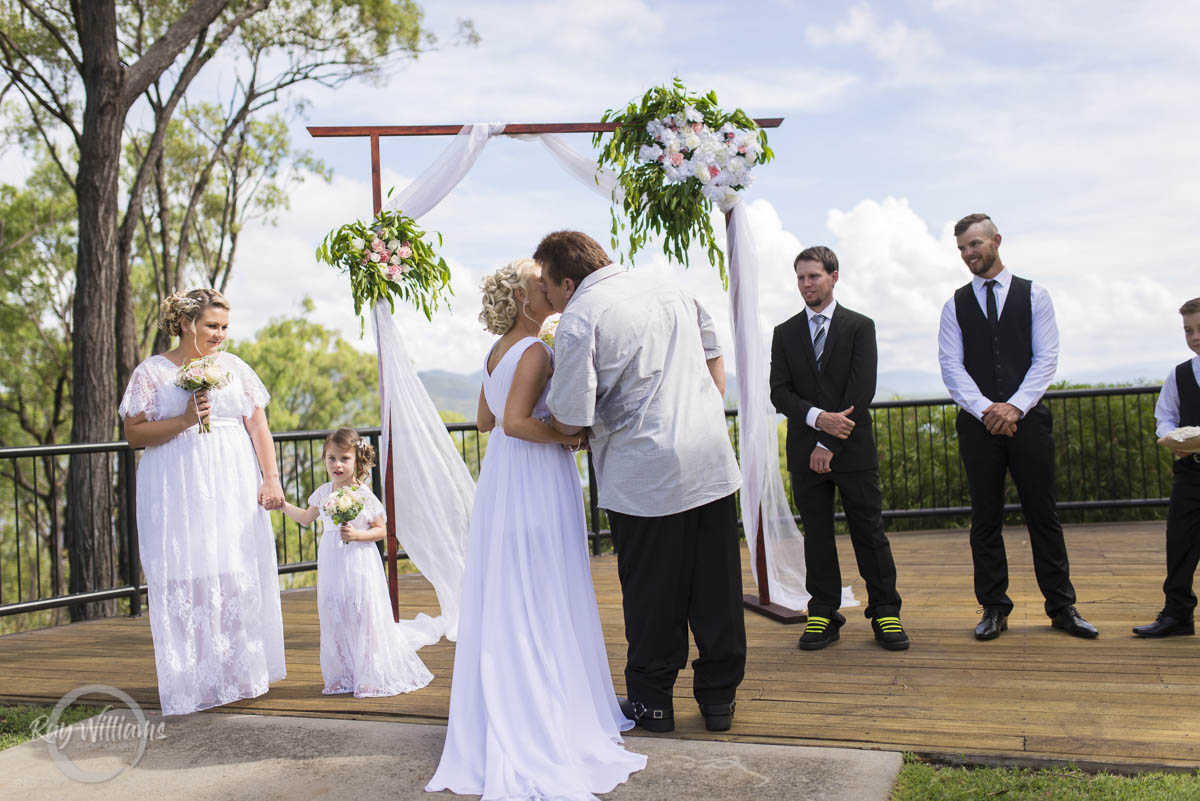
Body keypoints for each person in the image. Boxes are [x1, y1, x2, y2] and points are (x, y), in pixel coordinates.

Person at [427, 258, 644, 801]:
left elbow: (484, 422)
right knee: (545, 582)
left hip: (503, 475)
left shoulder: (495, 351)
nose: (547, 287)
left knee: (514, 584)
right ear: (526, 299)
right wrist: (568, 437)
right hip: (534, 474)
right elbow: (516, 423)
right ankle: (546, 704)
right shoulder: (536, 351)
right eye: (538, 283)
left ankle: (517, 689)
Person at [538, 231, 746, 734]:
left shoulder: (580, 317)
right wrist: (702, 409)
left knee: (653, 595)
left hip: (644, 475)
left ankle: (654, 704)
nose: (544, 295)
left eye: (546, 284)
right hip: (709, 464)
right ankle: (719, 701)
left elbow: (569, 414)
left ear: (567, 282)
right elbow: (714, 350)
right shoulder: (669, 286)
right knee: (716, 588)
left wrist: (566, 428)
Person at [119, 288, 287, 715]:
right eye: (212, 325)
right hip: (177, 487)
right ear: (185, 324)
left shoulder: (235, 368)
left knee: (233, 571)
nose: (220, 335)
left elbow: (258, 428)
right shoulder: (151, 373)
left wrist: (270, 479)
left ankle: (238, 672)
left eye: (225, 327)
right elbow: (134, 434)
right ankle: (191, 680)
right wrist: (184, 420)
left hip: (232, 485)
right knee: (185, 576)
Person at [938, 213, 1098, 640]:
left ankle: (1062, 607)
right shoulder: (954, 304)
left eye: (974, 244)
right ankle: (993, 608)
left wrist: (1014, 408)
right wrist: (988, 410)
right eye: (962, 249)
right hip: (978, 425)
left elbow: (1046, 358)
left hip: (1028, 421)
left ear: (996, 241)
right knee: (984, 517)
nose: (969, 254)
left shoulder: (1035, 295)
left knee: (1043, 515)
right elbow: (951, 368)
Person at [770, 246, 908, 651]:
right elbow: (779, 393)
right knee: (816, 536)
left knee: (869, 531)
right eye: (800, 277)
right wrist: (816, 419)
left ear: (833, 277)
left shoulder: (859, 327)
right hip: (804, 451)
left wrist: (828, 440)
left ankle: (885, 612)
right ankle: (823, 612)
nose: (806, 284)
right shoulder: (785, 332)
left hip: (852, 450)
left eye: (813, 276)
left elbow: (861, 390)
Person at [280, 428, 433, 696]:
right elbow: (306, 518)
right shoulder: (323, 492)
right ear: (324, 459)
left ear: (357, 461)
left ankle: (369, 675)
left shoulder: (362, 493)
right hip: (332, 562)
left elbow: (381, 530)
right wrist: (282, 506)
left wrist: (358, 535)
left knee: (363, 615)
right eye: (331, 458)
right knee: (335, 612)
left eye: (344, 459)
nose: (337, 465)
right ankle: (342, 674)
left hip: (360, 562)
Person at [1133, 298, 1200, 637]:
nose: (1196, 336)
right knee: (1180, 542)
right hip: (1192, 471)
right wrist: (1173, 439)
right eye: (1189, 330)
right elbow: (1165, 417)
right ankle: (1178, 615)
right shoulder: (1180, 374)